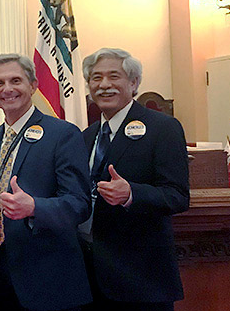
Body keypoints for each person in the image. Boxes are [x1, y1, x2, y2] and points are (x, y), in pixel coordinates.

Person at [0, 54, 92, 310]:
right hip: (4, 276)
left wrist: (34, 207)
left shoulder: (63, 134)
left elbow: (80, 204)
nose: (7, 89)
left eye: (16, 80)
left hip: (49, 280)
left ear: (33, 85)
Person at [80, 48, 189, 310]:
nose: (104, 85)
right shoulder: (87, 135)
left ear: (134, 82)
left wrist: (131, 194)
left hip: (141, 279)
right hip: (92, 276)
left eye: (113, 76)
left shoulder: (162, 128)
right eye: (96, 78)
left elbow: (177, 196)